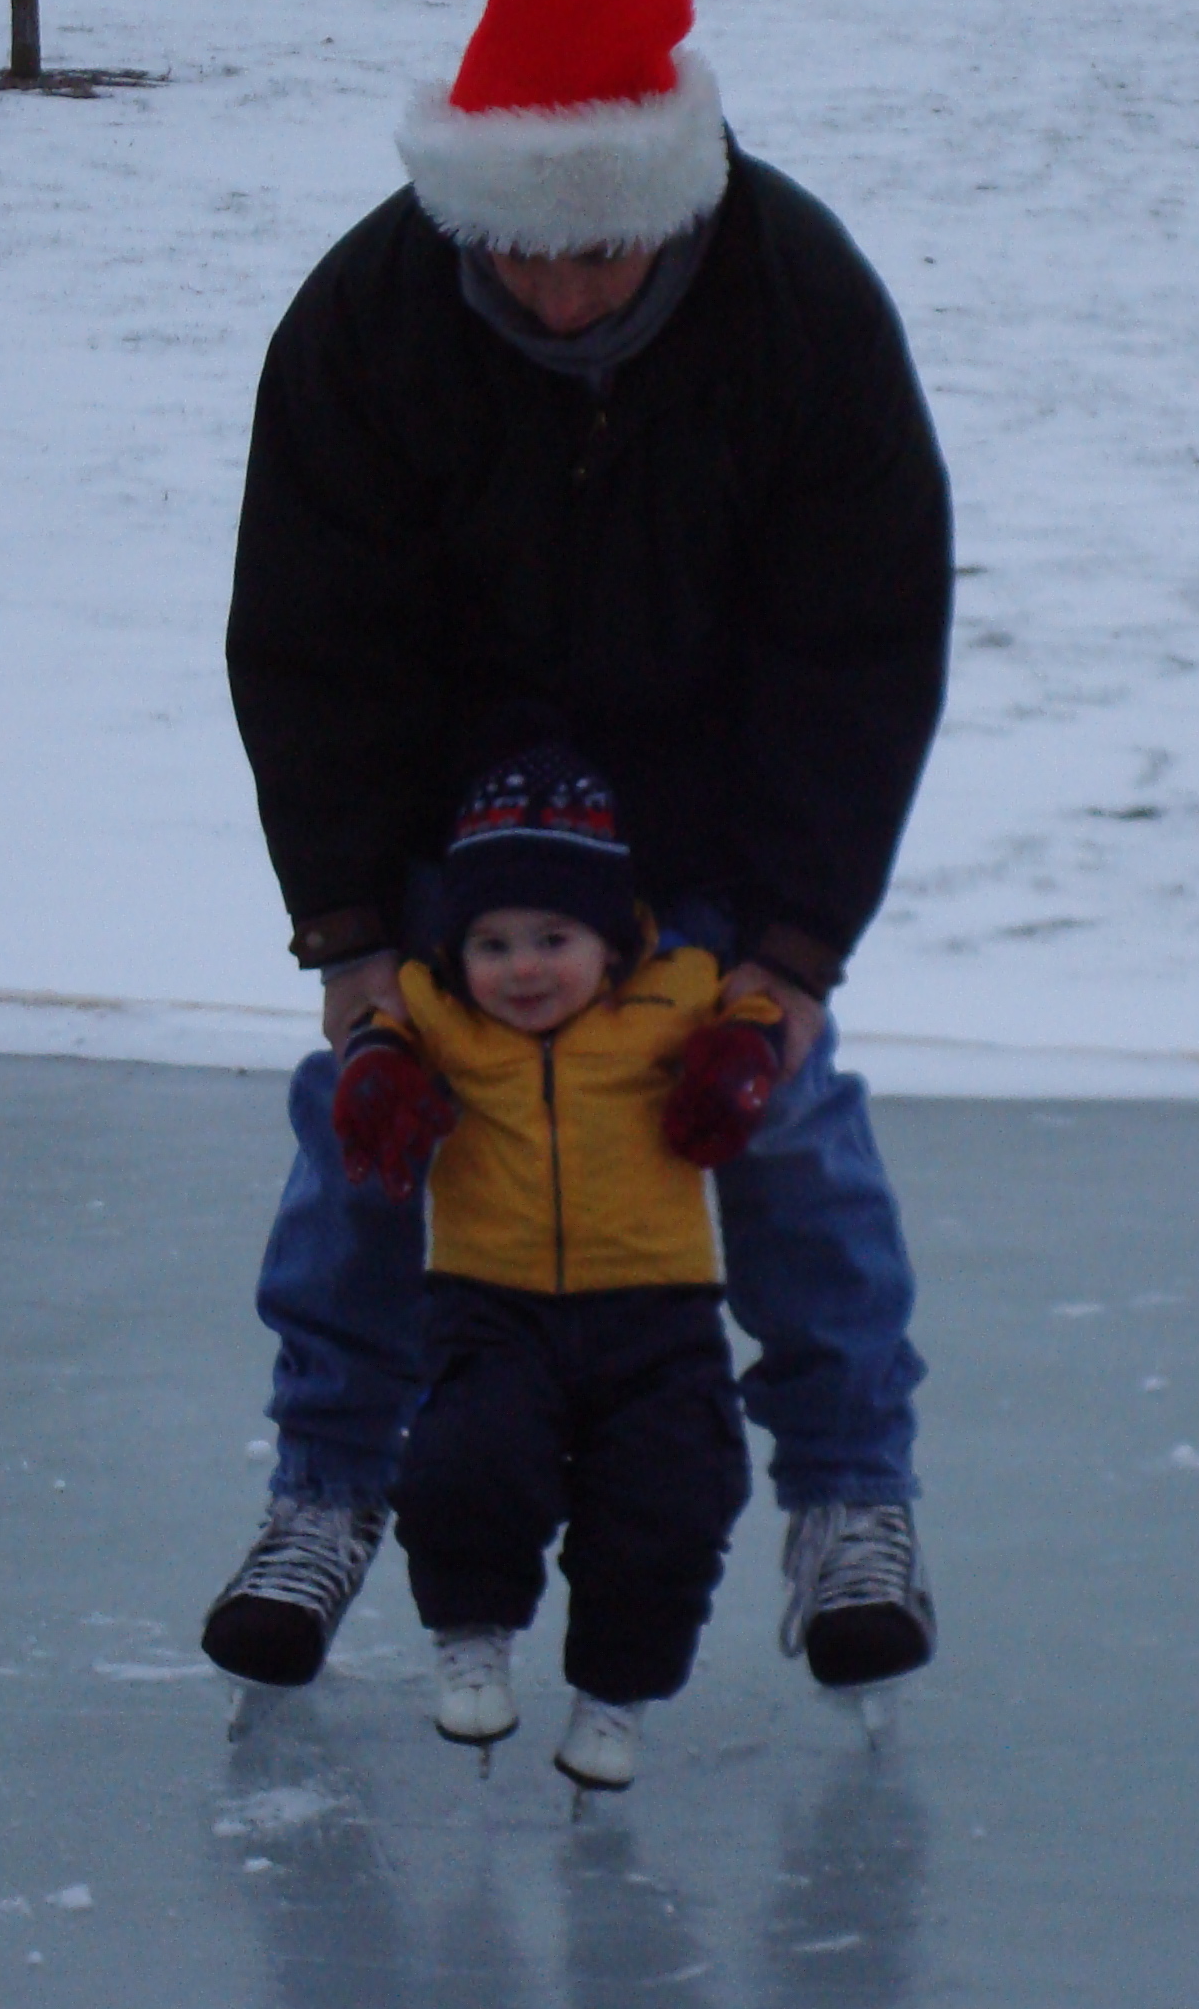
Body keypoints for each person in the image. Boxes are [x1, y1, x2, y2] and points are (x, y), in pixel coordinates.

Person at [201, 0, 952, 1701]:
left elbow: (860, 638)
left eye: (597, 246)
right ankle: (324, 1487)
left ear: (668, 196)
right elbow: (308, 640)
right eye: (520, 251)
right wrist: (353, 938)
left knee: (783, 1135)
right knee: (371, 1138)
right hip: (459, 854)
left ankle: (851, 1502)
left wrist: (789, 948)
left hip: (704, 837)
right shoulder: (370, 315)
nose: (558, 293)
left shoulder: (797, 301)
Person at [334, 743, 780, 1790]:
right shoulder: (439, 1012)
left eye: (552, 938)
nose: (521, 968)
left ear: (612, 938)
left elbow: (751, 1016)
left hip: (661, 1318)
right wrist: (378, 1075)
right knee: (466, 1468)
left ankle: (614, 1699)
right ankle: (471, 1636)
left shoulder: (679, 994)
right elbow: (378, 1031)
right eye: (490, 943)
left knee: (673, 1500)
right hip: (490, 1308)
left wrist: (739, 1060)